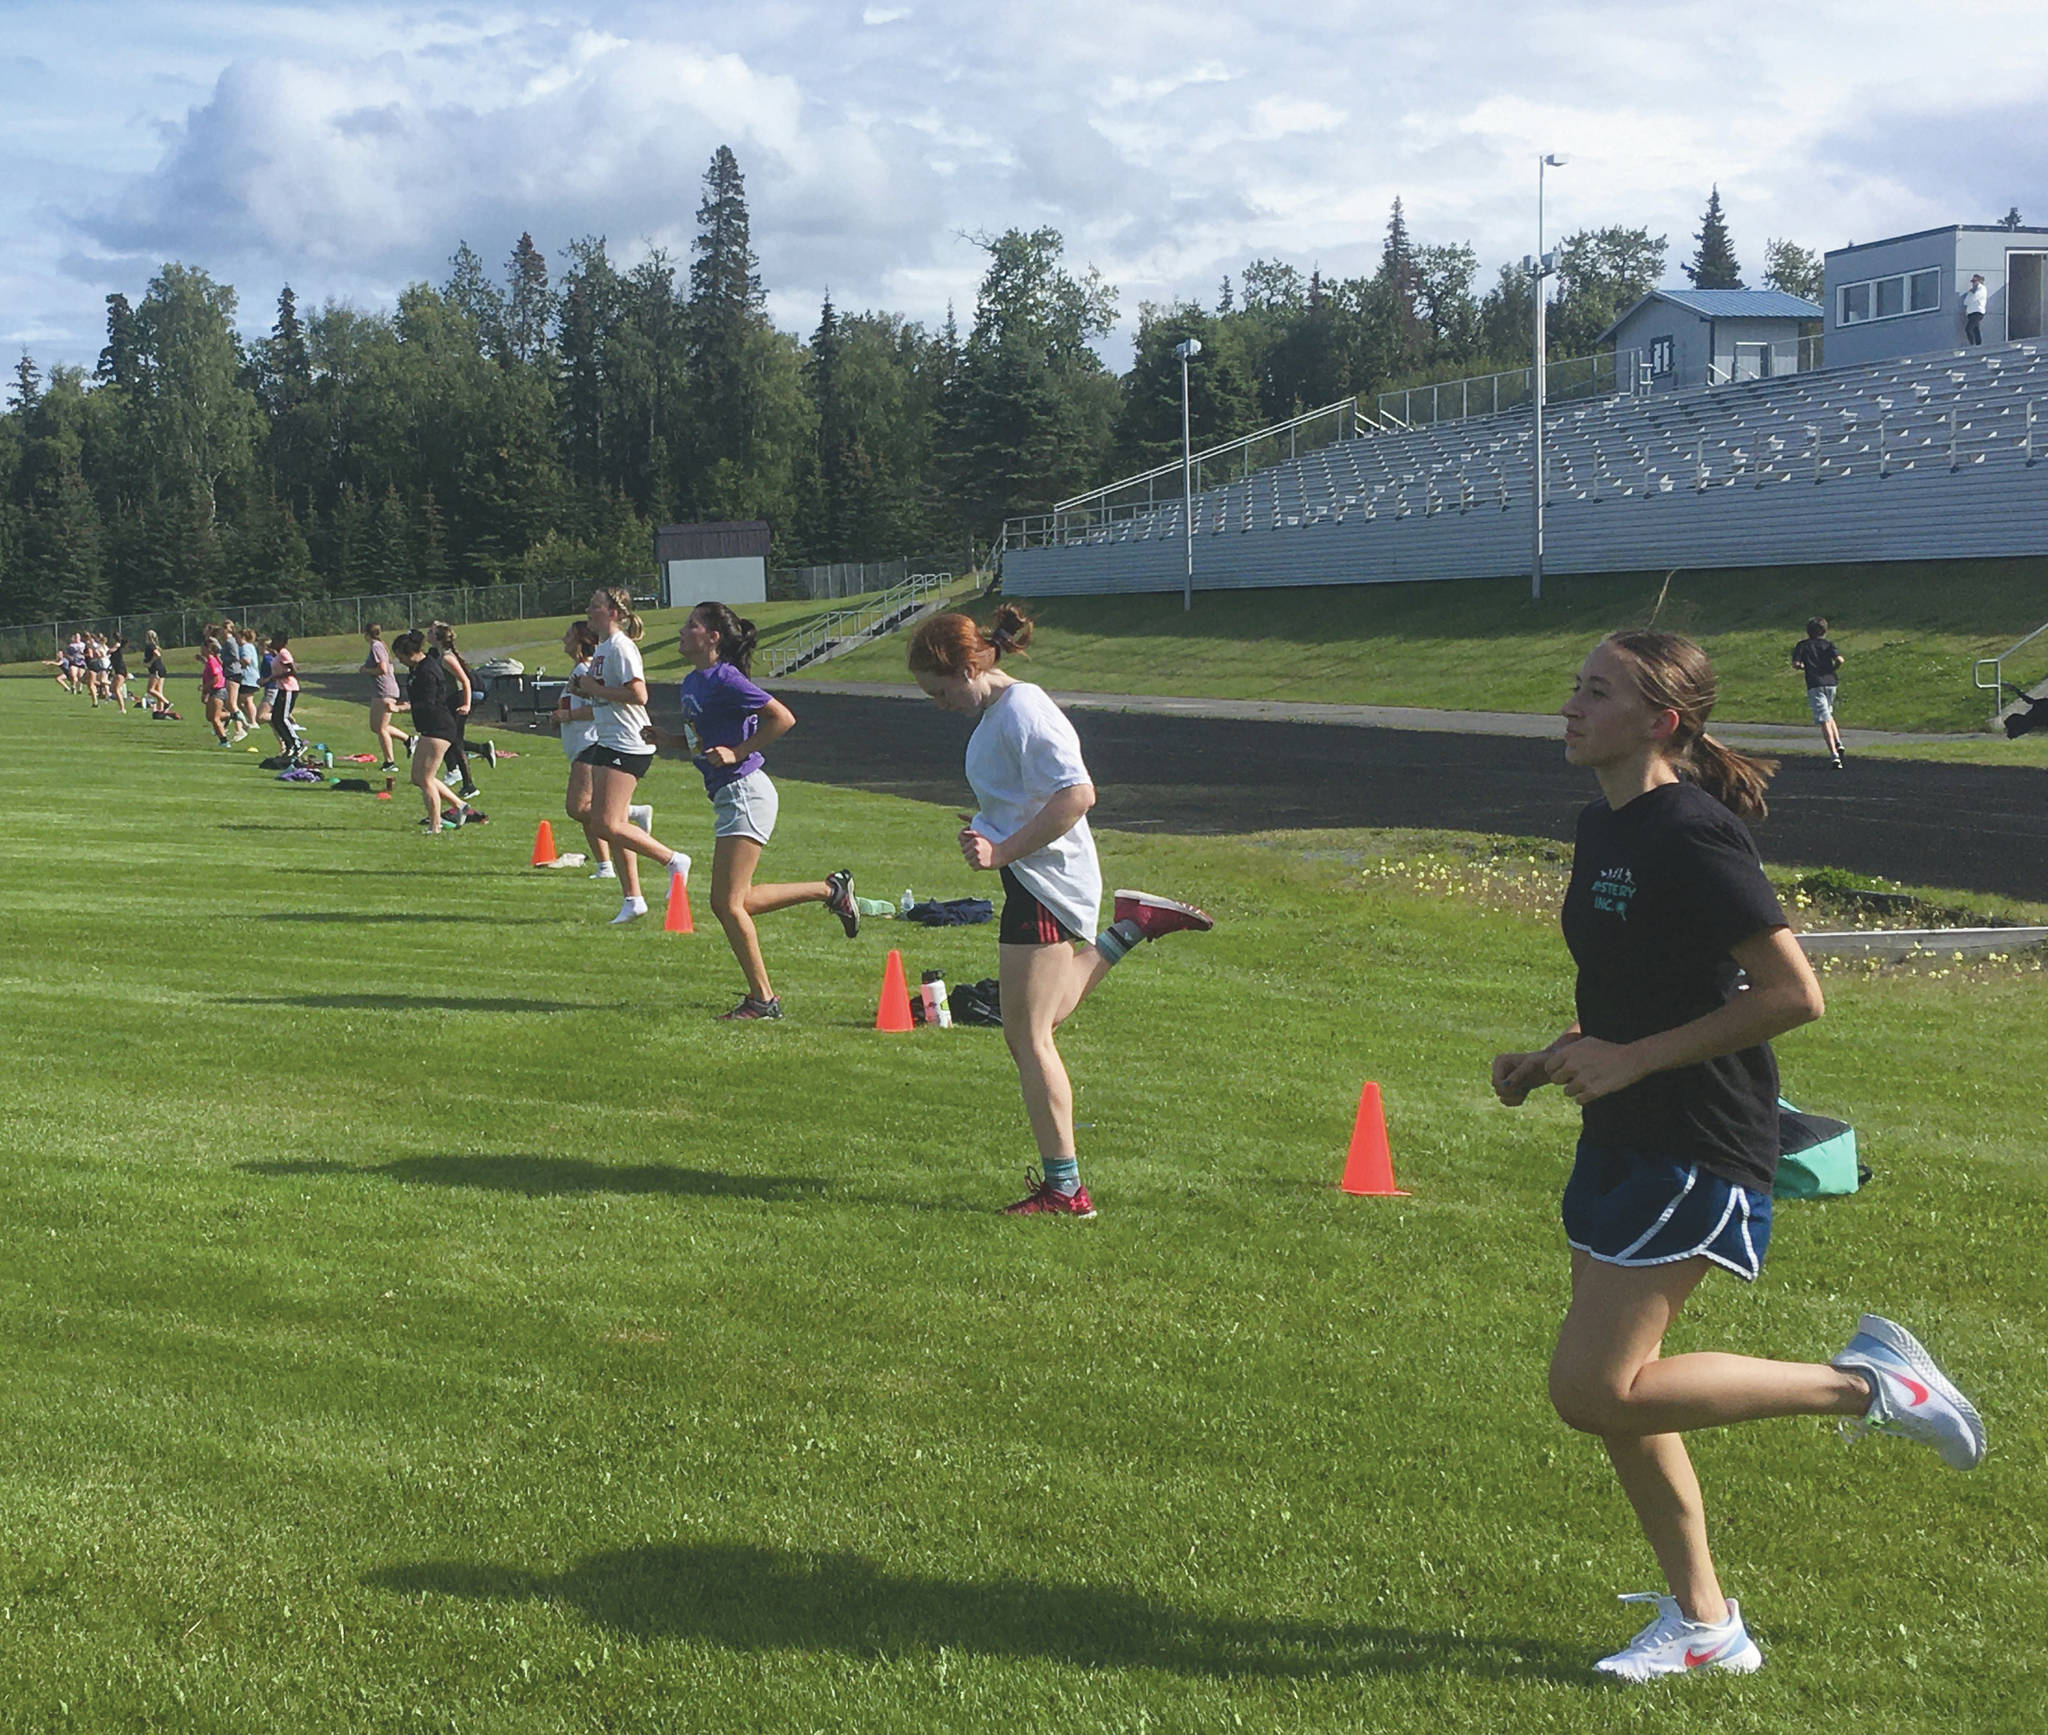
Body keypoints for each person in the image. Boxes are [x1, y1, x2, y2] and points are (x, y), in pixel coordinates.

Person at [1490, 629, 1984, 1683]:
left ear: (1660, 720)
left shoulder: (1691, 834)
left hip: (1693, 1136)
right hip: (1621, 1125)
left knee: (1590, 1389)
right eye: (1572, 686)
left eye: (1594, 692)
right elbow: (1647, 979)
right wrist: (1563, 1053)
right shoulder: (1603, 822)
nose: (1568, 707)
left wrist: (1632, 1062)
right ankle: (1703, 1622)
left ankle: (1868, 1388)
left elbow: (1791, 994)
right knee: (1626, 1392)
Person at [908, 604, 1214, 1215]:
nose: (937, 703)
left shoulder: (1025, 709)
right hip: (1030, 878)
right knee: (1035, 1025)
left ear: (970, 667)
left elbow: (1077, 796)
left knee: (1029, 1035)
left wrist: (1000, 850)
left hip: (1046, 882)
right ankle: (1134, 925)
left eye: (939, 691)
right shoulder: (997, 713)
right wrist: (990, 832)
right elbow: (1027, 799)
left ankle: (1067, 1190)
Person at [642, 601, 860, 1021]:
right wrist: (665, 738)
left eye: (691, 625)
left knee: (725, 904)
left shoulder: (726, 679)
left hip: (746, 792)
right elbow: (699, 744)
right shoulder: (692, 682)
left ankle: (763, 1001)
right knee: (735, 901)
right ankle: (830, 890)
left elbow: (782, 718)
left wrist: (738, 751)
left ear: (713, 637)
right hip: (729, 794)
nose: (682, 631)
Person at [566, 586, 691, 925]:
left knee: (605, 823)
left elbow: (639, 695)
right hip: (609, 740)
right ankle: (633, 899)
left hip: (628, 744)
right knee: (611, 826)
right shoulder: (605, 648)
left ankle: (674, 860)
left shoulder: (622, 647)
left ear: (613, 613)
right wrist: (587, 692)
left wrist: (594, 689)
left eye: (595, 606)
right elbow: (606, 697)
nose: (589, 611)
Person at [552, 619, 630, 883]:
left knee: (577, 807)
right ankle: (604, 865)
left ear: (580, 641)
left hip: (591, 743)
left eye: (568, 635)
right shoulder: (578, 670)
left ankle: (629, 814)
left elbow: (600, 708)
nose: (564, 639)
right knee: (586, 811)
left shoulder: (586, 671)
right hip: (579, 745)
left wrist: (568, 714)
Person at [393, 630, 463, 834]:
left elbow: (429, 702)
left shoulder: (427, 671)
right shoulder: (417, 668)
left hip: (438, 727)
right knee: (418, 777)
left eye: (400, 657)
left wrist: (403, 708)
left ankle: (435, 825)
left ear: (409, 653)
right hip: (429, 728)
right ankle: (460, 806)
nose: (400, 661)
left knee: (425, 779)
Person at [428, 622, 481, 799]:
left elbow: (465, 681)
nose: (427, 634)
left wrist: (466, 704)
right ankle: (463, 778)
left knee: (456, 742)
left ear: (437, 638)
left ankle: (469, 785)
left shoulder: (447, 658)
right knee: (453, 741)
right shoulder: (440, 655)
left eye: (431, 632)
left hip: (457, 701)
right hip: (449, 701)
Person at [1789, 615, 1845, 768]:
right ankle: (1838, 742)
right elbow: (1840, 660)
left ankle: (1834, 755)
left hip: (1815, 683)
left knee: (1823, 719)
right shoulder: (1828, 644)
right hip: (1831, 682)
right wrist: (1833, 669)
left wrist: (1804, 667)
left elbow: (1796, 664)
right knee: (1829, 713)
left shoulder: (1803, 645)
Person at [360, 623, 405, 772]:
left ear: (366, 633)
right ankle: (409, 740)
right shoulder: (378, 645)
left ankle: (390, 762)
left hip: (385, 690)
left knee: (381, 728)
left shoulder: (376, 647)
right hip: (380, 691)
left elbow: (382, 669)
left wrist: (366, 670)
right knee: (376, 726)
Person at [267, 633, 305, 757]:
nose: (272, 642)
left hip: (289, 689)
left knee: (283, 717)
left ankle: (298, 743)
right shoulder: (278, 654)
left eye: (274, 640)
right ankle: (289, 746)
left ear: (280, 642)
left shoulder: (284, 653)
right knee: (275, 718)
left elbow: (292, 670)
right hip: (282, 688)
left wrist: (272, 678)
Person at [198, 639, 233, 744]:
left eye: (202, 648)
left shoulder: (212, 661)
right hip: (213, 690)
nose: (201, 649)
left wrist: (205, 688)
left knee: (215, 718)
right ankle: (229, 716)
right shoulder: (210, 660)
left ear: (208, 649)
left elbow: (216, 678)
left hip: (218, 691)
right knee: (209, 716)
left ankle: (224, 741)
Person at [142, 631, 171, 717]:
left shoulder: (150, 645)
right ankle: (161, 711)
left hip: (156, 669)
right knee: (159, 691)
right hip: (161, 669)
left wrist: (150, 662)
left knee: (150, 690)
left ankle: (167, 703)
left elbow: (157, 655)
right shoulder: (154, 645)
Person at [1963, 273, 1987, 346]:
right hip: (1971, 313)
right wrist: (1971, 292)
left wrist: (1972, 293)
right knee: (1976, 329)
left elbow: (1974, 298)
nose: (1973, 283)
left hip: (1977, 312)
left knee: (1968, 329)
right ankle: (1978, 344)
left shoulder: (1982, 289)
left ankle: (1972, 344)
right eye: (1972, 282)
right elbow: (1965, 302)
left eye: (1974, 281)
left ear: (1978, 281)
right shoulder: (1971, 291)